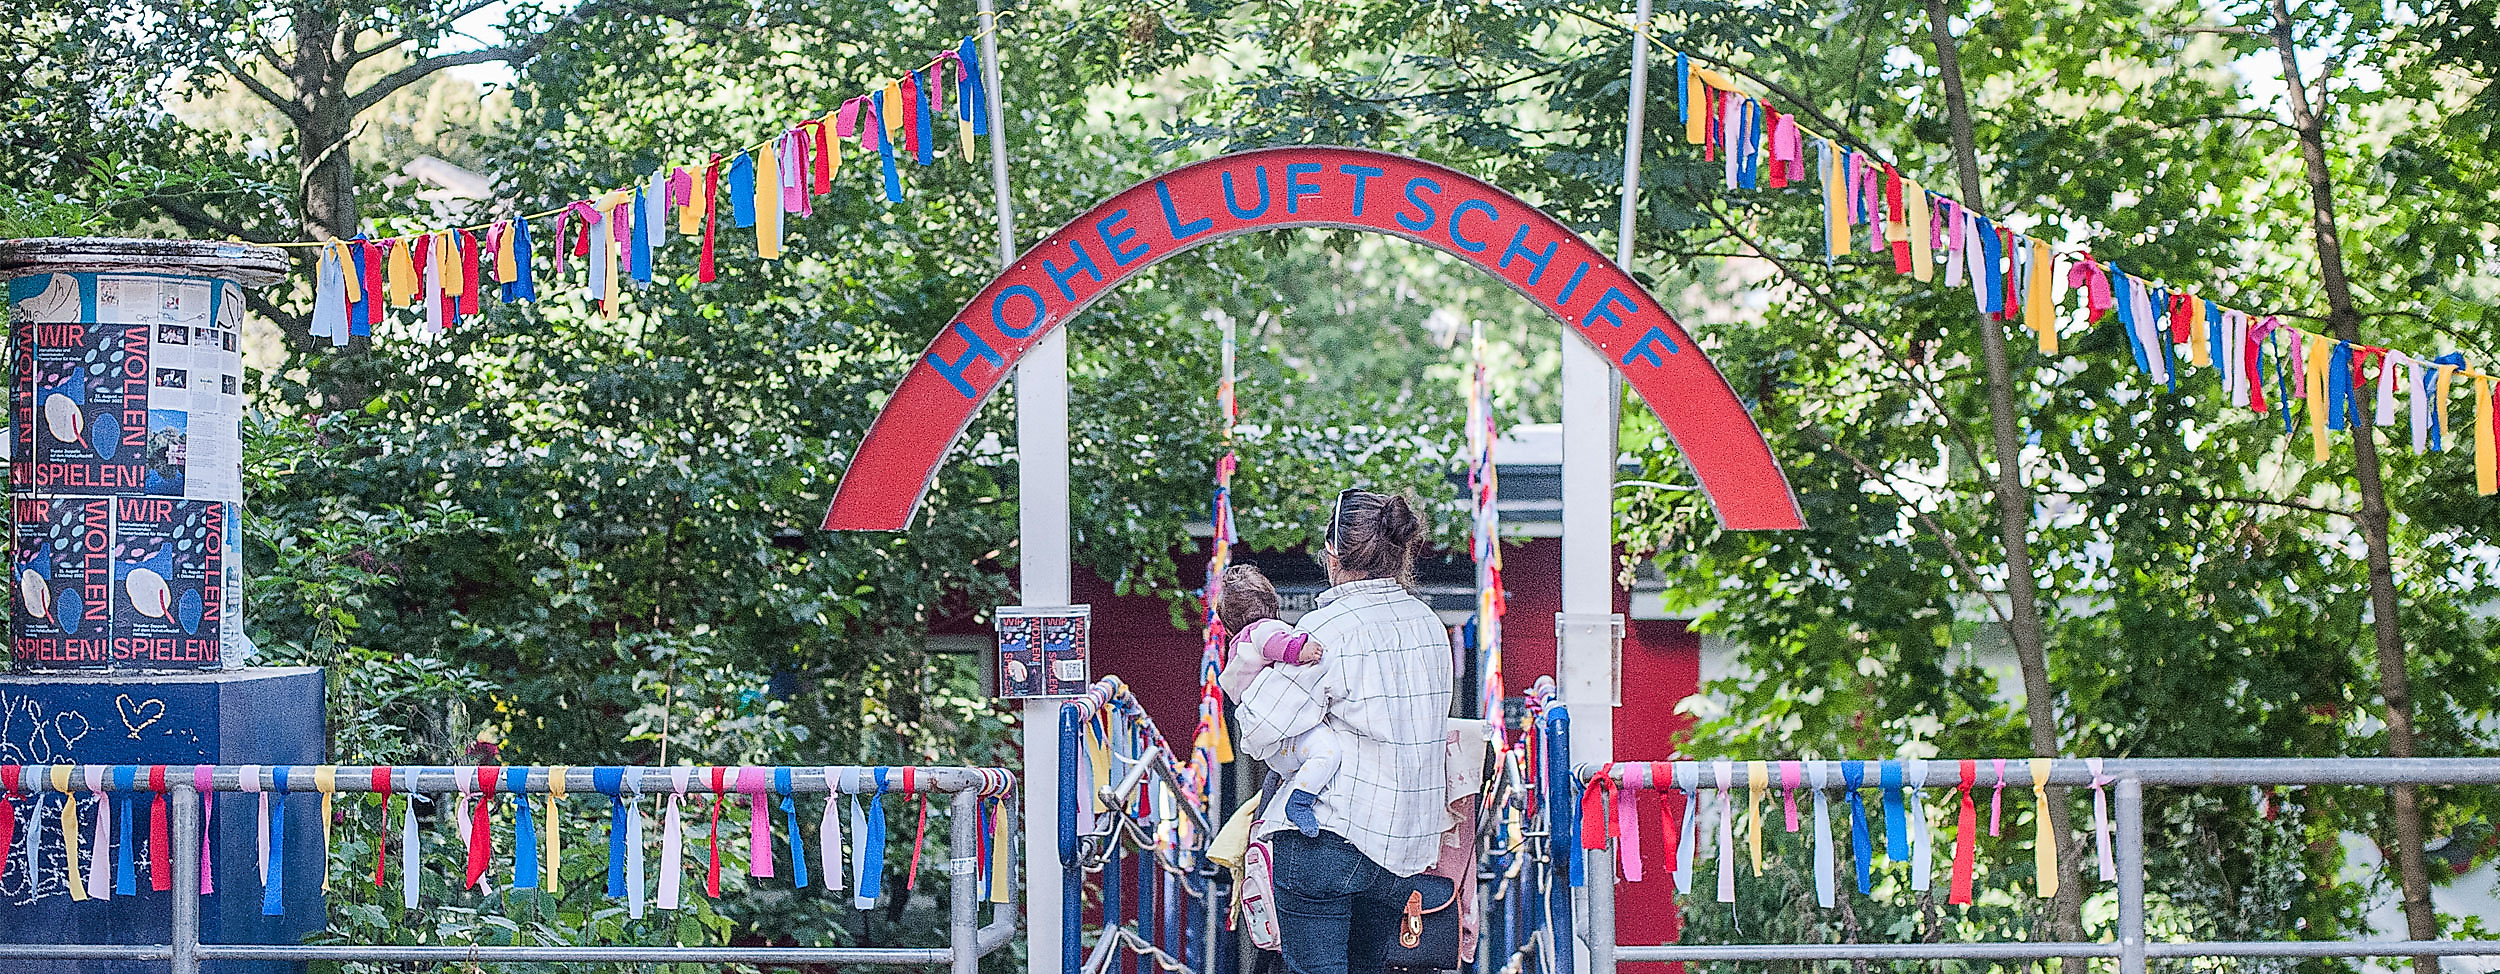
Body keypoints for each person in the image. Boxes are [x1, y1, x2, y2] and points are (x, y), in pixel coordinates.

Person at [1231, 489, 1455, 974]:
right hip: (1401, 848)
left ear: (1332, 553)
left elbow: (1259, 730)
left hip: (1325, 840)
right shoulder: (1432, 626)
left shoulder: (1327, 627)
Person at [1214, 563, 1338, 837]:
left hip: (1272, 748)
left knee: (1291, 769)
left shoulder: (1236, 649)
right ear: (1270, 603)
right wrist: (1302, 650)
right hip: (1289, 732)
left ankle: (1279, 801)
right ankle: (1300, 801)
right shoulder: (1262, 630)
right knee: (1328, 753)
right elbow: (1276, 644)